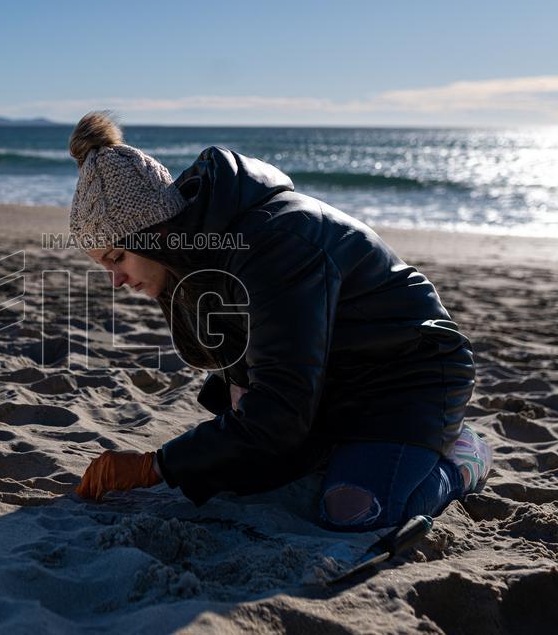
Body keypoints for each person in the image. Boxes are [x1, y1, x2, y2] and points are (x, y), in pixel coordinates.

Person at [69, 111, 492, 532]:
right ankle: (353, 450)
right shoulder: (193, 255)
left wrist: (154, 466)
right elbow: (253, 391)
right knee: (234, 480)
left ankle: (461, 461)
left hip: (408, 375)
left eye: (117, 258)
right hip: (328, 381)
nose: (117, 280)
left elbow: (280, 412)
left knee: (353, 511)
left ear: (154, 232)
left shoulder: (275, 244)